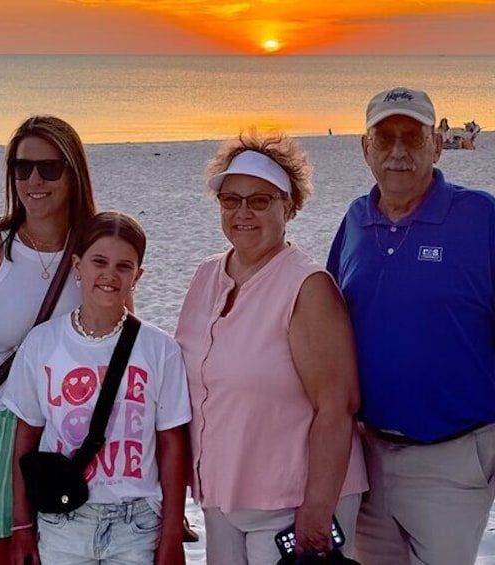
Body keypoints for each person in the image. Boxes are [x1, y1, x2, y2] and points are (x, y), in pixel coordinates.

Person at [326, 87, 495, 564]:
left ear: (437, 144)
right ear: (365, 148)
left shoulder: (479, 215)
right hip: (368, 455)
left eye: (413, 137)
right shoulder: (356, 220)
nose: (398, 151)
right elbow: (328, 330)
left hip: (455, 456)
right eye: (384, 139)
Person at [175, 130, 368, 564]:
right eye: (231, 200)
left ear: (289, 206)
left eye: (260, 200)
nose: (243, 212)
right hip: (223, 498)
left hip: (292, 506)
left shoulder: (307, 286)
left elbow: (337, 407)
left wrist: (317, 517)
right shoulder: (207, 275)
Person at [3, 211, 192, 565]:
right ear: (78, 266)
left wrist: (171, 533)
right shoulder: (43, 343)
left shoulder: (159, 349)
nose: (109, 274)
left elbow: (171, 444)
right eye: (99, 262)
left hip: (136, 523)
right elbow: (25, 438)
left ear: (138, 275)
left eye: (124, 266)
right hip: (63, 522)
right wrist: (22, 526)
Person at [0, 115, 97, 564]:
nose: (34, 180)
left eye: (49, 168)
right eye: (21, 168)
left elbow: (123, 349)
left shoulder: (98, 251)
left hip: (75, 431)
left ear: (73, 172)